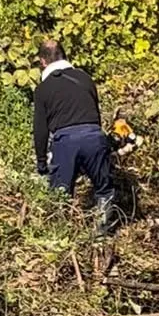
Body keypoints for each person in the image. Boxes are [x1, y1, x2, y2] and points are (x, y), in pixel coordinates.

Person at [33, 39, 115, 236]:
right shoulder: (85, 78)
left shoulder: (43, 89)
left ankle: (61, 237)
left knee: (60, 195)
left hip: (65, 142)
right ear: (64, 55)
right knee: (104, 190)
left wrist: (42, 162)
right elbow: (94, 111)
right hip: (94, 136)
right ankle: (101, 235)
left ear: (43, 62)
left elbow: (40, 129)